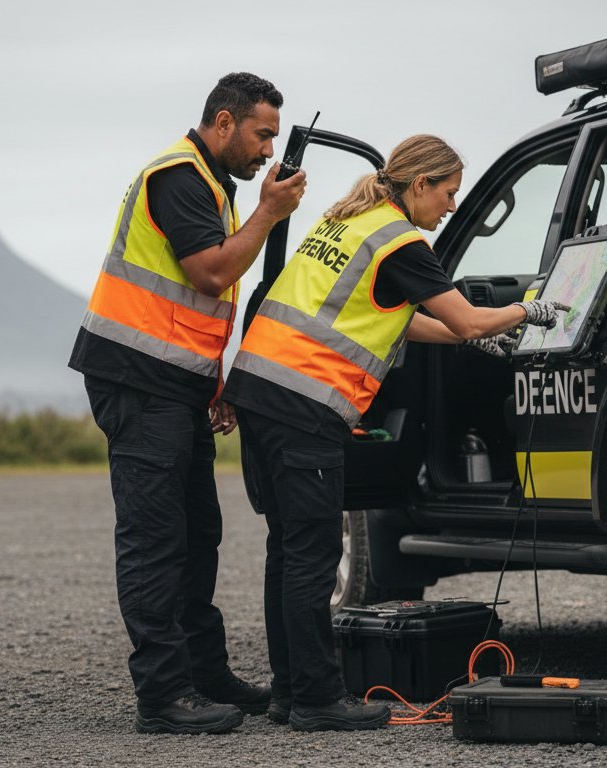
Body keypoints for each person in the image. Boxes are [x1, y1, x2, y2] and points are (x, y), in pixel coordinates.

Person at [223, 134, 565, 732]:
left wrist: (467, 336)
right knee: (312, 555)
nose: (453, 207)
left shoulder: (351, 221)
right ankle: (316, 700)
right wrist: (526, 312)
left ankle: (290, 691)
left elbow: (389, 317)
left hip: (260, 389)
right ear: (418, 185)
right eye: (449, 192)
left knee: (289, 551)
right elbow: (463, 313)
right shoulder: (402, 240)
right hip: (305, 401)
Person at [68, 72, 307, 735]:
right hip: (138, 381)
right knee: (155, 539)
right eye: (262, 134)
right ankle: (163, 695)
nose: (267, 151)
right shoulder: (178, 177)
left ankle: (204, 673)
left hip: (176, 384)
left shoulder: (212, 187)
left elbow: (196, 303)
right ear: (224, 123)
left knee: (199, 533)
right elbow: (210, 272)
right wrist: (270, 212)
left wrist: (214, 379)